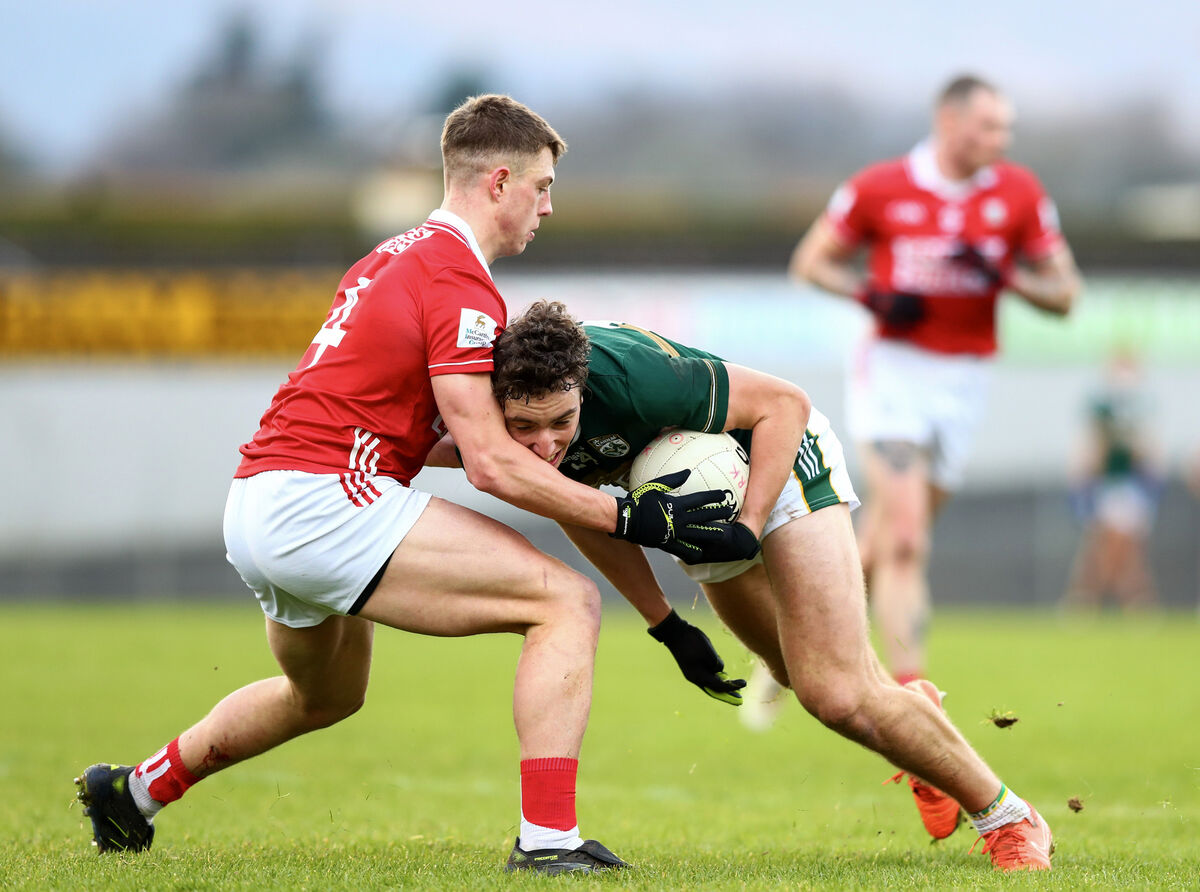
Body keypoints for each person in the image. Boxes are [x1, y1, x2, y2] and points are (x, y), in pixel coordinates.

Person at [73, 95, 742, 876]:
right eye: (543, 185)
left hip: (259, 499)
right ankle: (549, 844)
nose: (549, 206)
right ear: (499, 182)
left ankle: (135, 792)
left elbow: (424, 435)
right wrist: (633, 517)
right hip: (324, 503)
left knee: (325, 697)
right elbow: (491, 463)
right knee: (566, 603)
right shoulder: (458, 282)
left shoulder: (391, 257)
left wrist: (613, 520)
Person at [429, 299, 1058, 872]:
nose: (543, 446)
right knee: (794, 672)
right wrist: (666, 625)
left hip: (776, 467)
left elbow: (785, 403)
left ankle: (1009, 818)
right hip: (697, 504)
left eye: (561, 421)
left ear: (583, 388)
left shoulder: (634, 379)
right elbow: (579, 509)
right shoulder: (486, 413)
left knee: (834, 693)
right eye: (525, 428)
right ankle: (913, 717)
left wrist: (750, 525)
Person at [786, 74, 1082, 689]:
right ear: (949, 123)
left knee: (886, 544)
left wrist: (1009, 276)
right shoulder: (880, 187)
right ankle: (913, 695)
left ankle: (793, 643)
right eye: (989, 127)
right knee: (907, 539)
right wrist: (872, 295)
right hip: (895, 370)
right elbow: (811, 264)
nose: (1001, 140)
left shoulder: (1020, 193)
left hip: (966, 379)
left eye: (1007, 129)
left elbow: (1066, 295)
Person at [1063, 350, 1164, 610]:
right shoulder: (1101, 411)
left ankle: (1109, 596)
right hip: (1103, 487)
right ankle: (1111, 596)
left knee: (1125, 545)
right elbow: (1089, 457)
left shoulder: (1142, 409)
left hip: (1133, 487)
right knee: (1103, 543)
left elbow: (1149, 455)